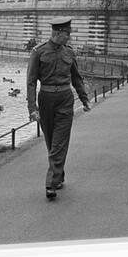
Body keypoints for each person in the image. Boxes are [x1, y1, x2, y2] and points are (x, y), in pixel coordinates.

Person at [27, 16, 92, 200]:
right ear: (58, 33)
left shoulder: (69, 53)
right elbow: (31, 82)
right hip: (46, 99)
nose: (69, 37)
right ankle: (59, 173)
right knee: (51, 141)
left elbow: (76, 78)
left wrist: (84, 99)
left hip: (65, 99)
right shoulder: (38, 52)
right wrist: (32, 108)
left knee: (59, 142)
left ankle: (51, 183)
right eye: (67, 34)